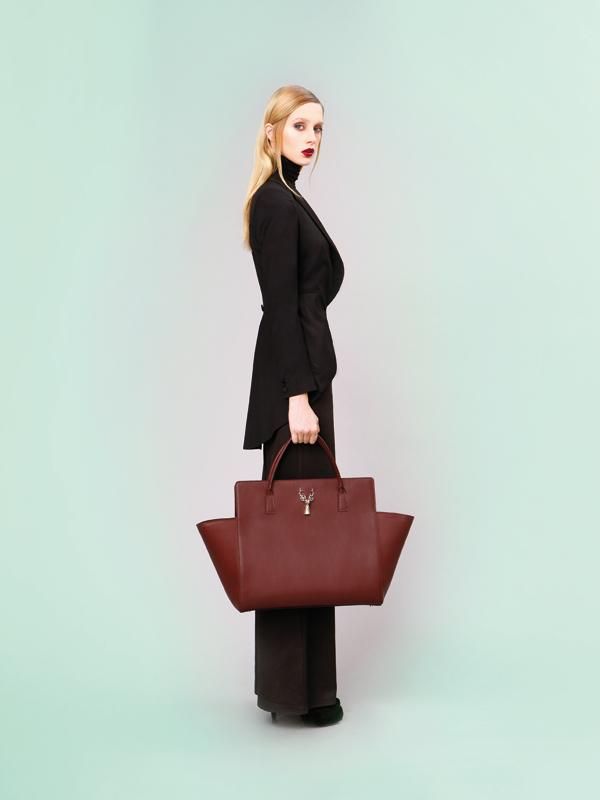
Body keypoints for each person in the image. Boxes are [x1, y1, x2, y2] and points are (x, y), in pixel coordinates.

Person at [241, 85, 345, 726]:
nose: (311, 138)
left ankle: (306, 690)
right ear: (272, 130)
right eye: (300, 125)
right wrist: (298, 397)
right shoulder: (277, 204)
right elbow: (279, 306)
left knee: (311, 539)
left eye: (319, 128)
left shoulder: (288, 197)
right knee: (294, 539)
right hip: (296, 387)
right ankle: (296, 693)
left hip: (305, 378)